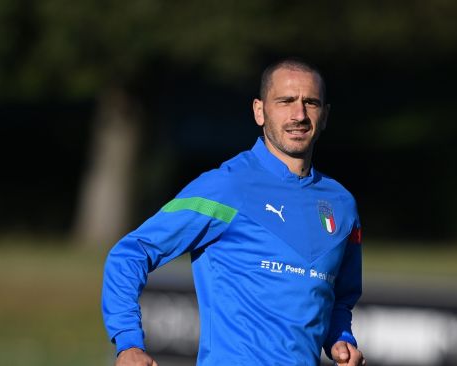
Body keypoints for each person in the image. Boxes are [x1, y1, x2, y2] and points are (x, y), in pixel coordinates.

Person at [102, 58, 365, 366]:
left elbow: (340, 297)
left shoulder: (342, 204)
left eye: (311, 103)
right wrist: (128, 343)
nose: (299, 115)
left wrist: (340, 339)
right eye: (286, 101)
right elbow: (130, 254)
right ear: (259, 111)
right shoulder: (225, 187)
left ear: (325, 115)